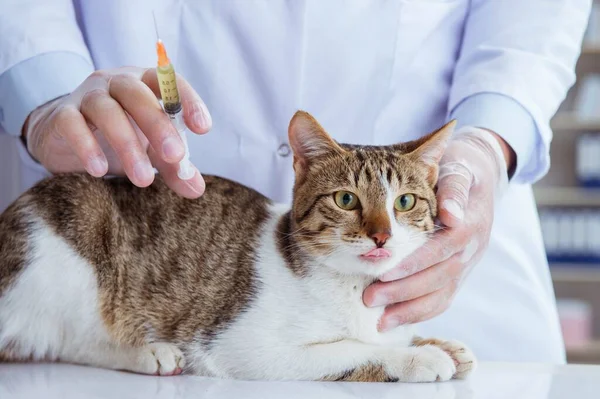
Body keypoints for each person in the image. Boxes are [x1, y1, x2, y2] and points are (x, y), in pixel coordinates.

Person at [0, 1, 591, 363]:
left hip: (446, 272)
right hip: (126, 253)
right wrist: (44, 93)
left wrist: (488, 142)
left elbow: (532, 19)